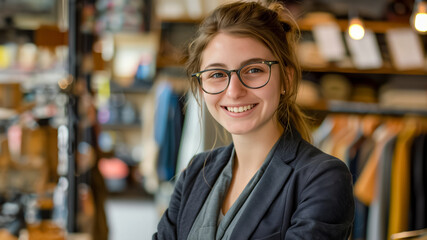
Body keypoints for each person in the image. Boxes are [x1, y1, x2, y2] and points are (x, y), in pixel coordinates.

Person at [153, 1, 354, 239]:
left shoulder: (322, 178)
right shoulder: (195, 173)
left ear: (286, 80)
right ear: (201, 85)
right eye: (217, 74)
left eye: (254, 70)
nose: (234, 91)